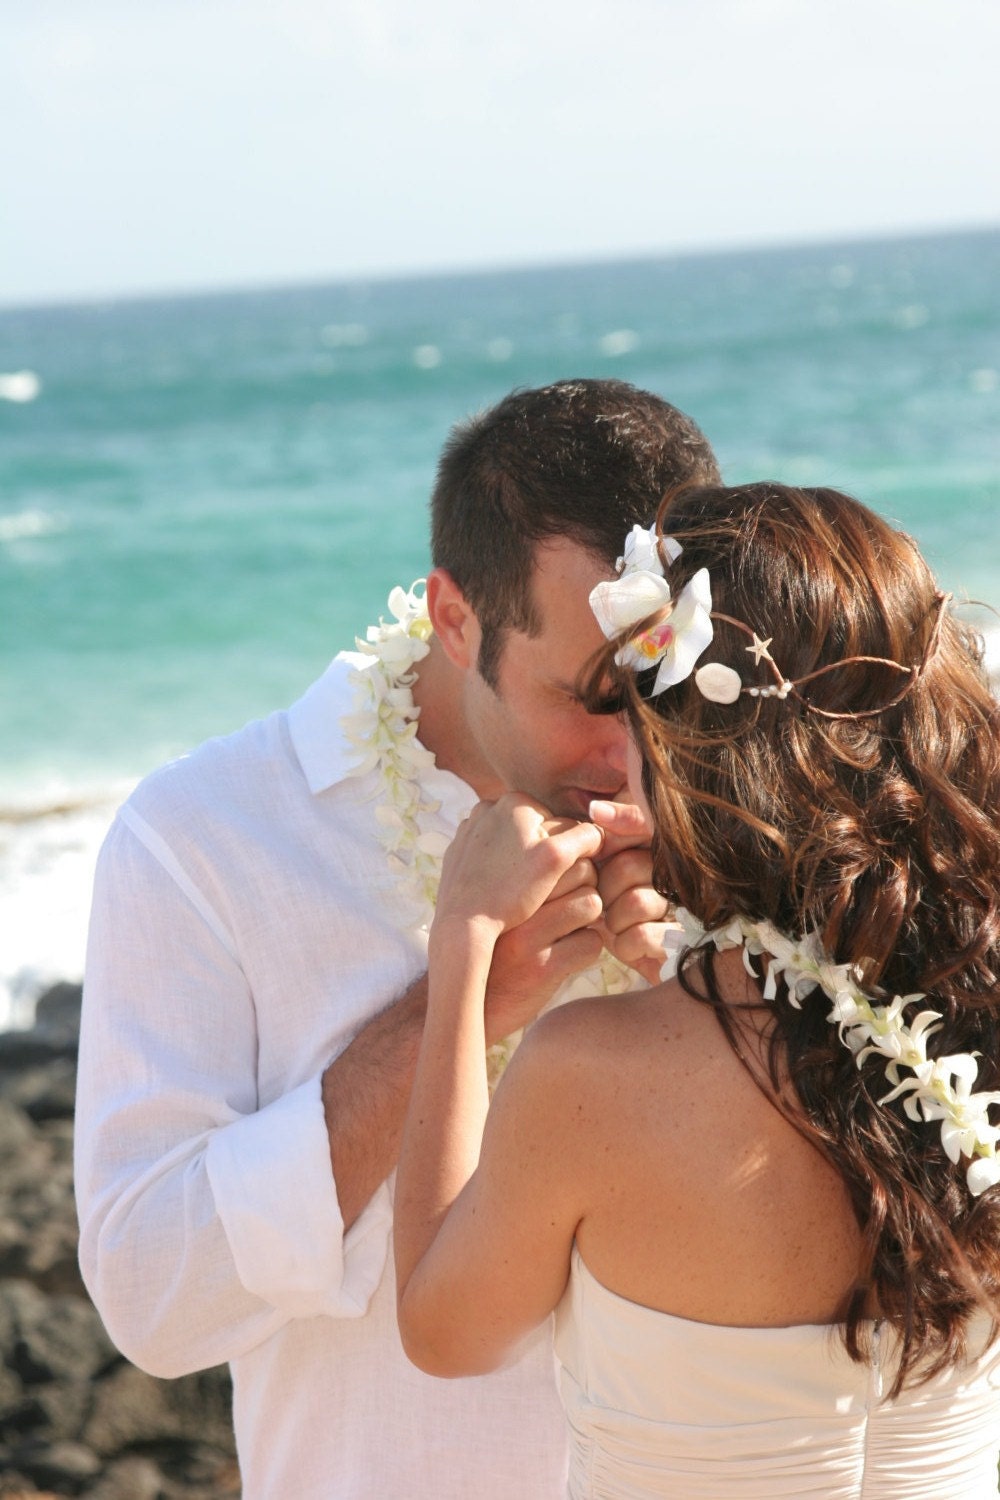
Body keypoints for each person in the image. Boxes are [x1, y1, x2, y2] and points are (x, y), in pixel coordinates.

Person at [74, 379, 721, 1499]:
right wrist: (458, 1004)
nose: (632, 755)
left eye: (656, 688)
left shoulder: (754, 793)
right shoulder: (203, 837)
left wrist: (721, 993)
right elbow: (152, 1296)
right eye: (590, 698)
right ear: (454, 617)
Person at [394, 481, 1000, 1499]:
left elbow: (443, 1332)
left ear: (682, 748)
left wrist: (463, 944)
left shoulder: (590, 1072)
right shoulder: (977, 1010)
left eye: (621, 707)